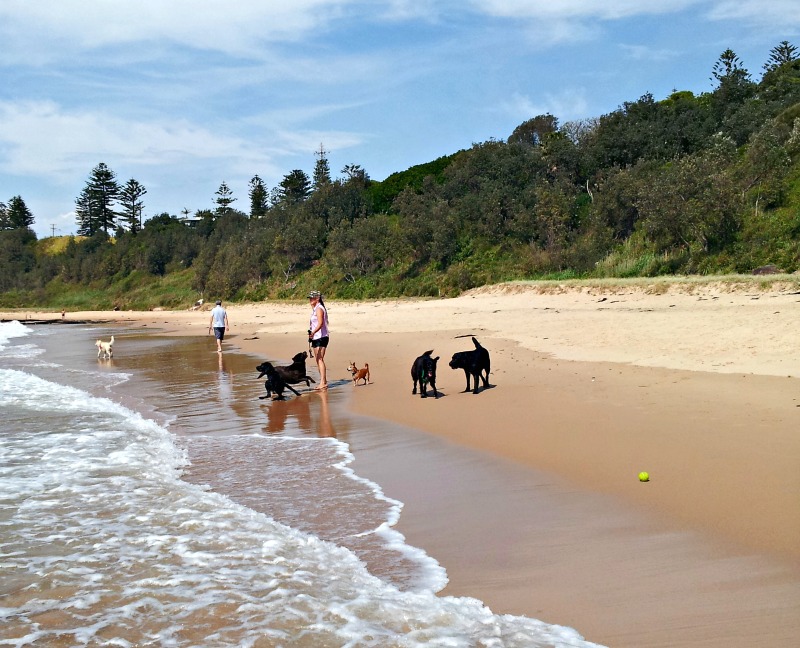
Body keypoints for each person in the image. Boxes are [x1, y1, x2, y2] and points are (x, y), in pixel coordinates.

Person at [307, 290, 329, 390]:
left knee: (320, 359)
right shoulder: (315, 308)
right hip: (316, 337)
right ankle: (323, 381)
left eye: (312, 298)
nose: (310, 299)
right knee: (318, 360)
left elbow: (321, 324)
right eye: (310, 298)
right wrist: (311, 333)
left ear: (317, 298)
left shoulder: (319, 308)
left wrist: (313, 332)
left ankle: (323, 382)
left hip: (321, 337)